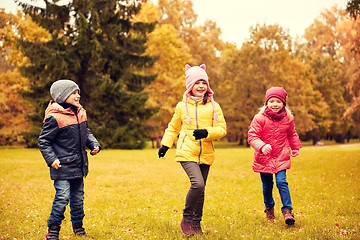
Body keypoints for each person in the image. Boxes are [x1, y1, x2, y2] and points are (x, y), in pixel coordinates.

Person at [158, 64, 227, 236]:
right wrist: (165, 144)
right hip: (186, 151)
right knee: (198, 184)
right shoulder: (182, 106)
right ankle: (187, 218)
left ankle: (196, 225)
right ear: (190, 85)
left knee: (201, 190)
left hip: (206, 152)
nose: (201, 86)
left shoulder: (214, 106)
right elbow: (173, 127)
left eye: (204, 82)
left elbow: (222, 128)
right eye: (197, 82)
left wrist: (206, 133)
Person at [38, 79, 101, 240]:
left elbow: (86, 132)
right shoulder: (54, 117)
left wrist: (93, 144)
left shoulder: (80, 112)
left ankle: (78, 228)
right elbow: (44, 141)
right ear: (62, 95)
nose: (77, 95)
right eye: (73, 93)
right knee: (62, 197)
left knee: (78, 198)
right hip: (61, 166)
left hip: (78, 165)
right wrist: (51, 159)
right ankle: (53, 230)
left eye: (78, 92)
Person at [248, 86, 302, 225]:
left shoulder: (288, 118)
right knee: (267, 186)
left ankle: (287, 211)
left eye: (278, 101)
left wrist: (295, 147)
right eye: (271, 101)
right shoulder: (259, 118)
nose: (275, 104)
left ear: (284, 103)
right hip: (264, 158)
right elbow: (252, 136)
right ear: (266, 103)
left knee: (281, 182)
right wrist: (262, 146)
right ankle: (269, 209)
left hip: (280, 156)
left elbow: (291, 134)